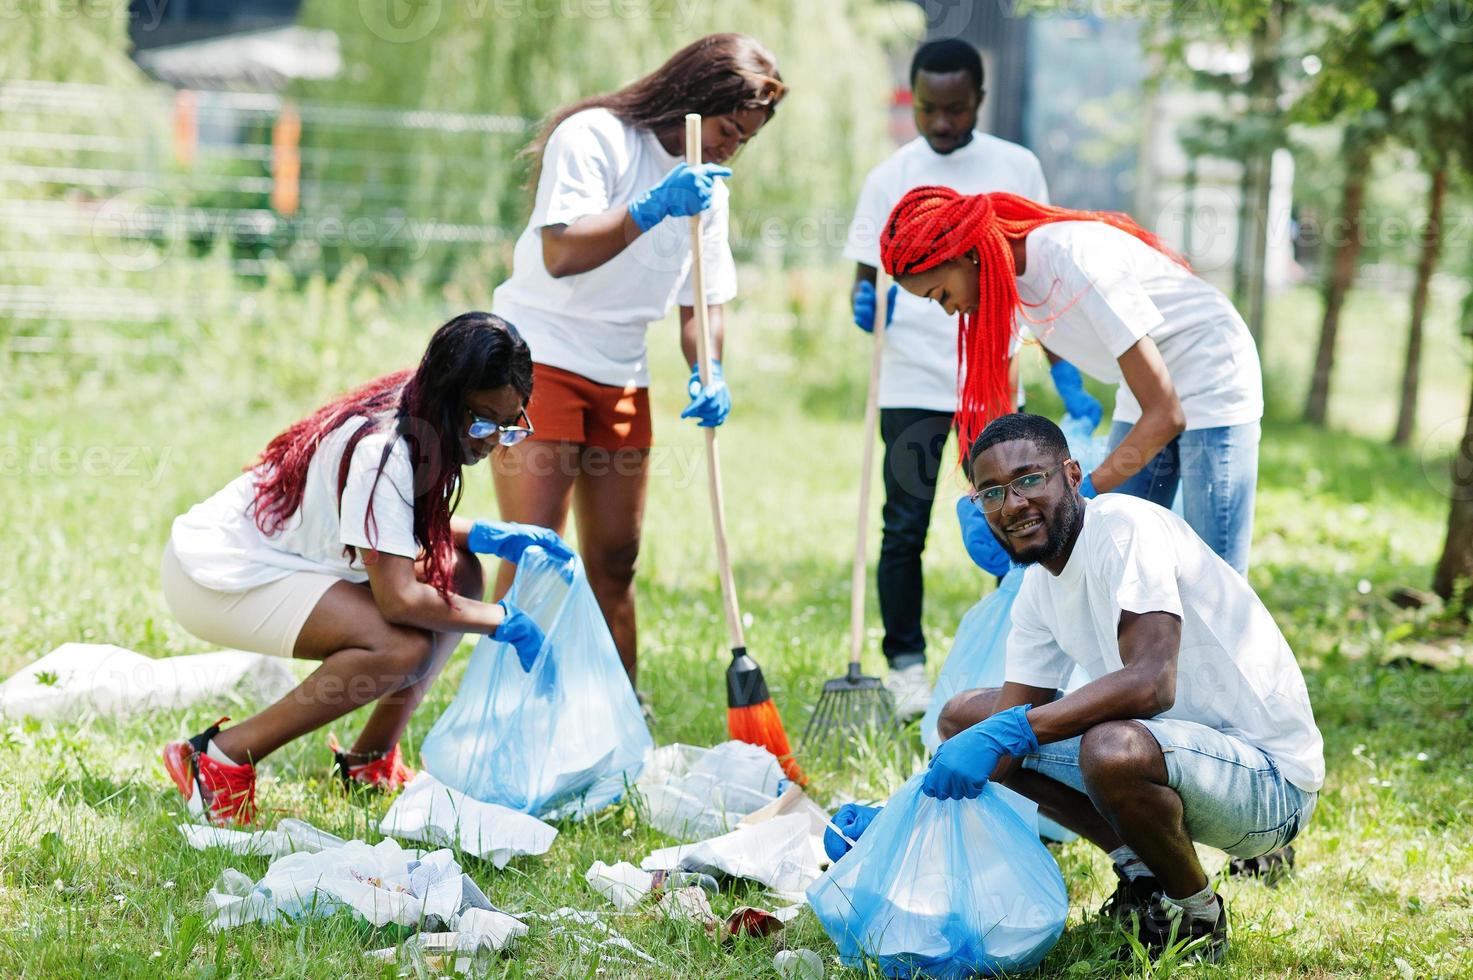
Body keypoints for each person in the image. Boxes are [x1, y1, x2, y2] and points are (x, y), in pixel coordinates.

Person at [929, 413, 1322, 962]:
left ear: (1071, 473)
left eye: (1029, 479)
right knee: (963, 720)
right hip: (1175, 757)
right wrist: (918, 803)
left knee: (1110, 747)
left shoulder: (1125, 528)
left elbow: (1151, 684)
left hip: (1269, 784)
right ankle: (1144, 879)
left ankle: (1198, 915)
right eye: (991, 492)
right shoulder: (1039, 587)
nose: (1012, 504)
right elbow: (1004, 728)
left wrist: (1012, 731)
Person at [160, 312, 575, 825]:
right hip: (217, 575)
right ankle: (219, 758)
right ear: (450, 399)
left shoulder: (424, 411)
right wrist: (504, 621)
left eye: (511, 424)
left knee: (460, 569)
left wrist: (485, 535)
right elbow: (397, 598)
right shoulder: (386, 450)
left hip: (288, 558)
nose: (493, 441)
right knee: (400, 646)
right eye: (484, 421)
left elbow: (392, 523)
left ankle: (368, 761)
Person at [489, 33, 786, 689]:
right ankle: (504, 705)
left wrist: (709, 368)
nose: (732, 147)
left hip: (621, 372)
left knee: (616, 560)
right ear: (694, 96)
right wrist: (650, 209)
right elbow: (562, 252)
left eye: (745, 139)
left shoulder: (707, 187)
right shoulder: (595, 137)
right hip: (536, 360)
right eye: (729, 129)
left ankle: (619, 709)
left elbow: (701, 300)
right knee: (534, 551)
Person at [843, 39, 1086, 719]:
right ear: (913, 102)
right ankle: (906, 668)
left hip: (992, 374)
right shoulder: (889, 175)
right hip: (911, 378)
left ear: (978, 99)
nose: (942, 123)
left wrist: (1057, 364)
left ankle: (1012, 655)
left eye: (954, 108)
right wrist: (864, 307)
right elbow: (865, 276)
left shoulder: (1015, 165)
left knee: (1016, 520)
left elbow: (1039, 266)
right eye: (927, 109)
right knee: (904, 524)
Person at [881, 188, 1264, 577]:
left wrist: (1077, 495)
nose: (949, 310)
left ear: (967, 255)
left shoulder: (1076, 259)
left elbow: (1165, 414)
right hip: (1146, 383)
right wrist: (981, 494)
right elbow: (1046, 318)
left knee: (1215, 575)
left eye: (942, 294)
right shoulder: (1009, 275)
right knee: (1119, 559)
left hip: (1213, 370)